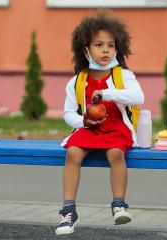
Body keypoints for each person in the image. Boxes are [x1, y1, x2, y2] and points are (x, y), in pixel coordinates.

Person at [55, 13, 144, 235]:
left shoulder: (123, 75)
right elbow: (68, 113)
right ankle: (68, 210)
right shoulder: (77, 81)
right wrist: (83, 121)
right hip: (89, 128)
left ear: (118, 48)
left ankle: (119, 204)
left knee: (115, 153)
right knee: (73, 153)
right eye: (99, 44)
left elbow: (138, 97)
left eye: (111, 45)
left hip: (116, 128)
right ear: (85, 48)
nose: (106, 50)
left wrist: (106, 93)